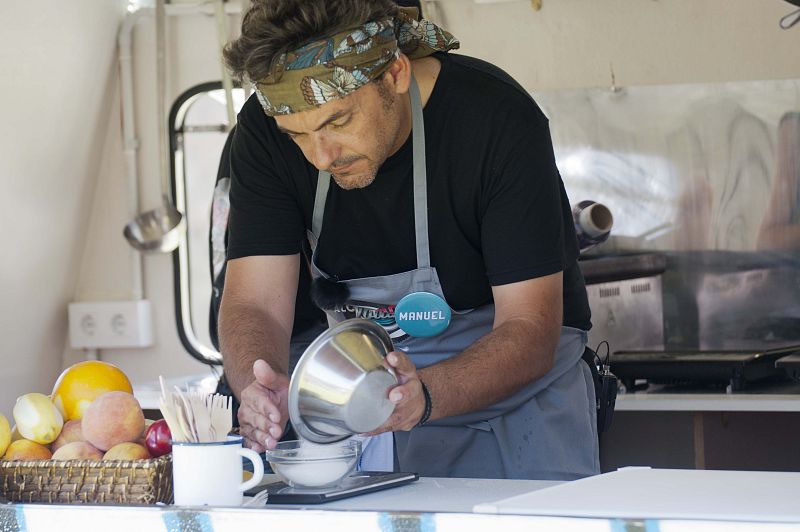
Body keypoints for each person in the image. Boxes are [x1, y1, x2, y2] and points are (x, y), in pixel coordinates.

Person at [218, 0, 599, 480]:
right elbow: (254, 303)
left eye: (337, 122)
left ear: (395, 73)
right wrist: (257, 381)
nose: (320, 156)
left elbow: (530, 328)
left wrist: (426, 394)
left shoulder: (496, 120)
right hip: (373, 414)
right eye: (297, 134)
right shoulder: (260, 134)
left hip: (517, 418)